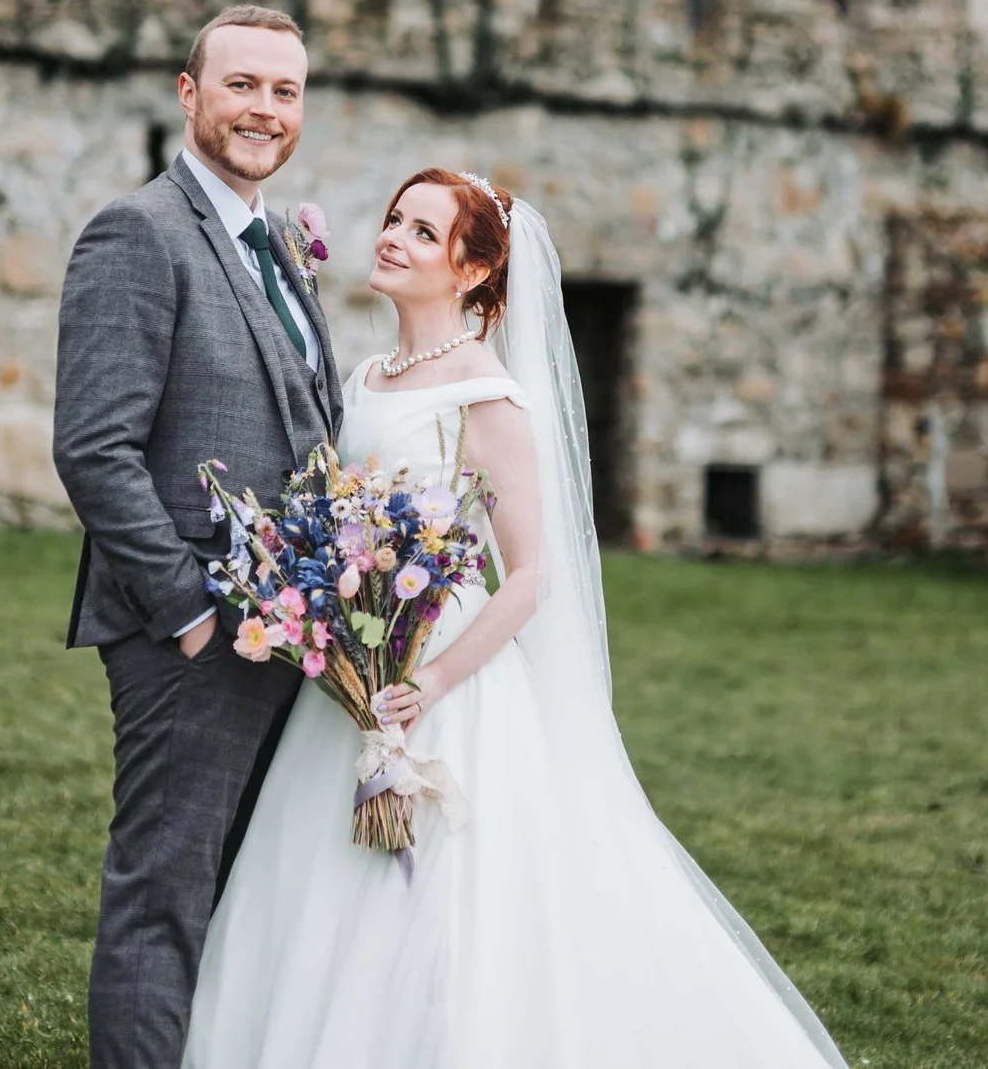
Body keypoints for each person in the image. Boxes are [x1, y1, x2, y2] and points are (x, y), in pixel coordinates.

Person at [182, 168, 852, 1069]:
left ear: (469, 273)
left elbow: (529, 574)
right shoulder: (366, 373)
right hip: (355, 670)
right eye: (394, 220)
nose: (394, 238)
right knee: (313, 882)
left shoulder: (486, 396)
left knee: (446, 906)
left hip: (444, 681)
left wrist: (431, 682)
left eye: (424, 233)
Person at [53, 4, 343, 1069]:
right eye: (242, 84)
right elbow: (93, 447)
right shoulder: (139, 232)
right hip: (191, 638)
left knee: (244, 891)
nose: (264, 108)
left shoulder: (277, 244)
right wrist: (185, 614)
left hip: (288, 637)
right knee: (164, 894)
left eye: (285, 89)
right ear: (189, 94)